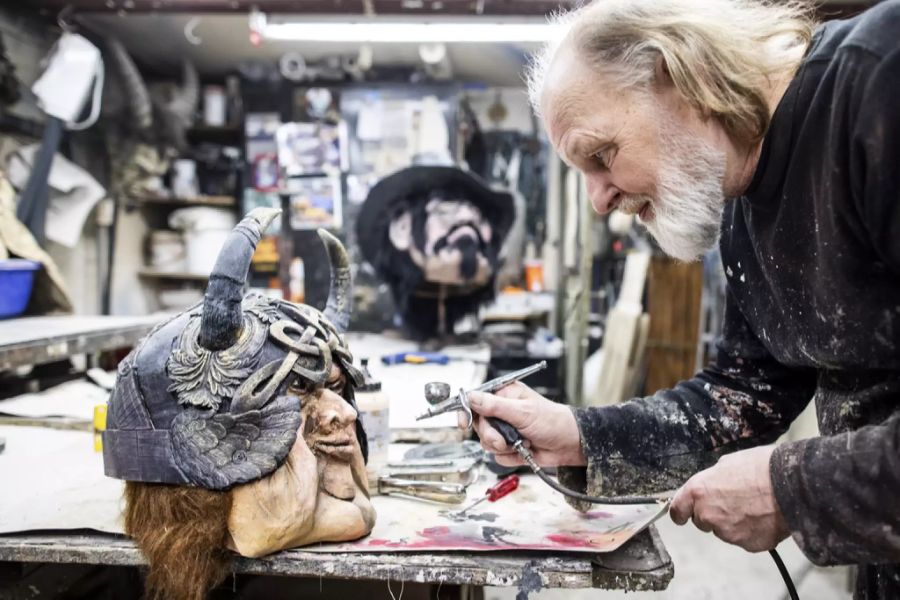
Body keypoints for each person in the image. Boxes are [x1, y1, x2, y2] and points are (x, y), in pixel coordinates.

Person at [463, 1, 900, 597]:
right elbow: (743, 398)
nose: (597, 199)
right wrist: (576, 433)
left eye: (602, 155)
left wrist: (794, 489)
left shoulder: (880, 80)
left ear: (678, 77)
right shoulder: (741, 204)